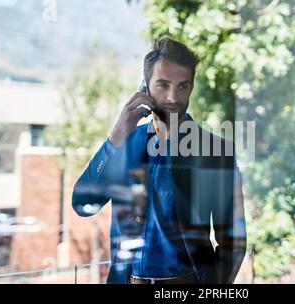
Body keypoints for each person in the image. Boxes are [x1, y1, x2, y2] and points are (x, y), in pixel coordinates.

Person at [72, 37, 246, 284]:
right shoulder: (124, 144)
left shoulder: (215, 152)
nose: (173, 97)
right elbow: (82, 203)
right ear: (145, 87)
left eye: (183, 87)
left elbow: (234, 241)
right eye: (163, 85)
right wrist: (115, 138)